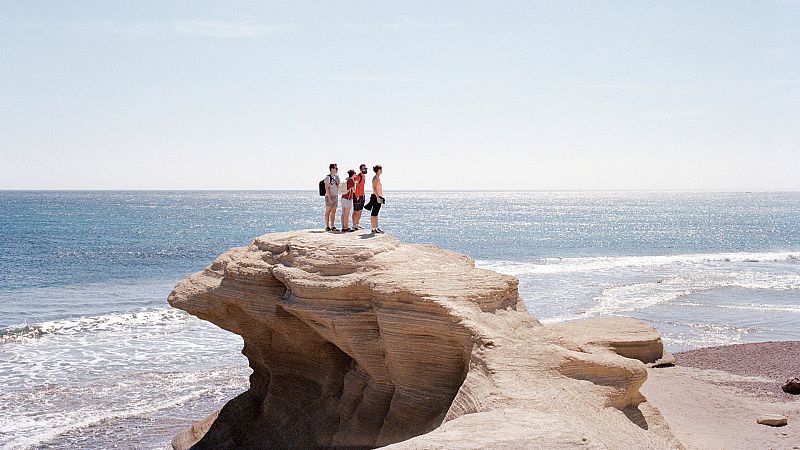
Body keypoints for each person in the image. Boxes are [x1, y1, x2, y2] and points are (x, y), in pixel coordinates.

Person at [364, 164, 384, 234]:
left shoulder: (378, 178)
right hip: (376, 197)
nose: (382, 170)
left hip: (378, 196)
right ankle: (373, 228)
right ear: (378, 170)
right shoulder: (375, 178)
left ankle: (376, 227)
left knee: (376, 213)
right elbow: (374, 188)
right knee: (374, 213)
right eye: (381, 169)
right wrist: (377, 197)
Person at [351, 164, 368, 230]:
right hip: (357, 196)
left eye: (366, 168)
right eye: (364, 168)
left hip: (362, 196)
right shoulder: (358, 176)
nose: (365, 170)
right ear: (360, 169)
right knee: (355, 211)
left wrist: (363, 196)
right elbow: (355, 183)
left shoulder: (364, 176)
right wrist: (356, 195)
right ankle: (353, 225)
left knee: (360, 211)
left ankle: (357, 224)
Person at [323, 163, 340, 231]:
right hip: (329, 196)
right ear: (332, 169)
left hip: (335, 196)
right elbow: (327, 188)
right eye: (336, 168)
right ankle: (327, 226)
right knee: (328, 211)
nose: (337, 170)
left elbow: (339, 185)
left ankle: (332, 225)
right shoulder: (327, 177)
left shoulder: (337, 177)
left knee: (334, 211)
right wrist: (330, 198)